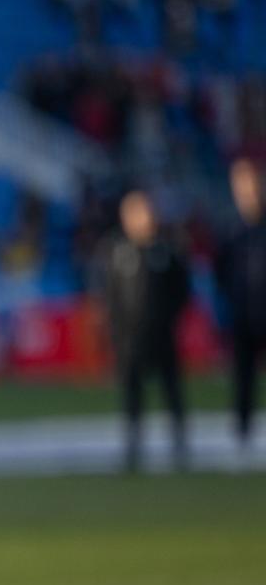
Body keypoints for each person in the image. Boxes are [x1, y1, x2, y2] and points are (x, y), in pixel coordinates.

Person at [95, 190, 192, 471]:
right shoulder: (117, 251)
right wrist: (115, 331)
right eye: (135, 212)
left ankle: (180, 443)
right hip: (129, 337)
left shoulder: (167, 250)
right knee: (131, 392)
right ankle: (133, 446)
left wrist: (168, 318)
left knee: (172, 389)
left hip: (162, 333)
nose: (142, 218)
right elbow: (110, 297)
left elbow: (181, 291)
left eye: (145, 211)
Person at [214, 158, 266, 449]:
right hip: (243, 314)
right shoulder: (230, 229)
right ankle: (242, 435)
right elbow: (220, 272)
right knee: (242, 377)